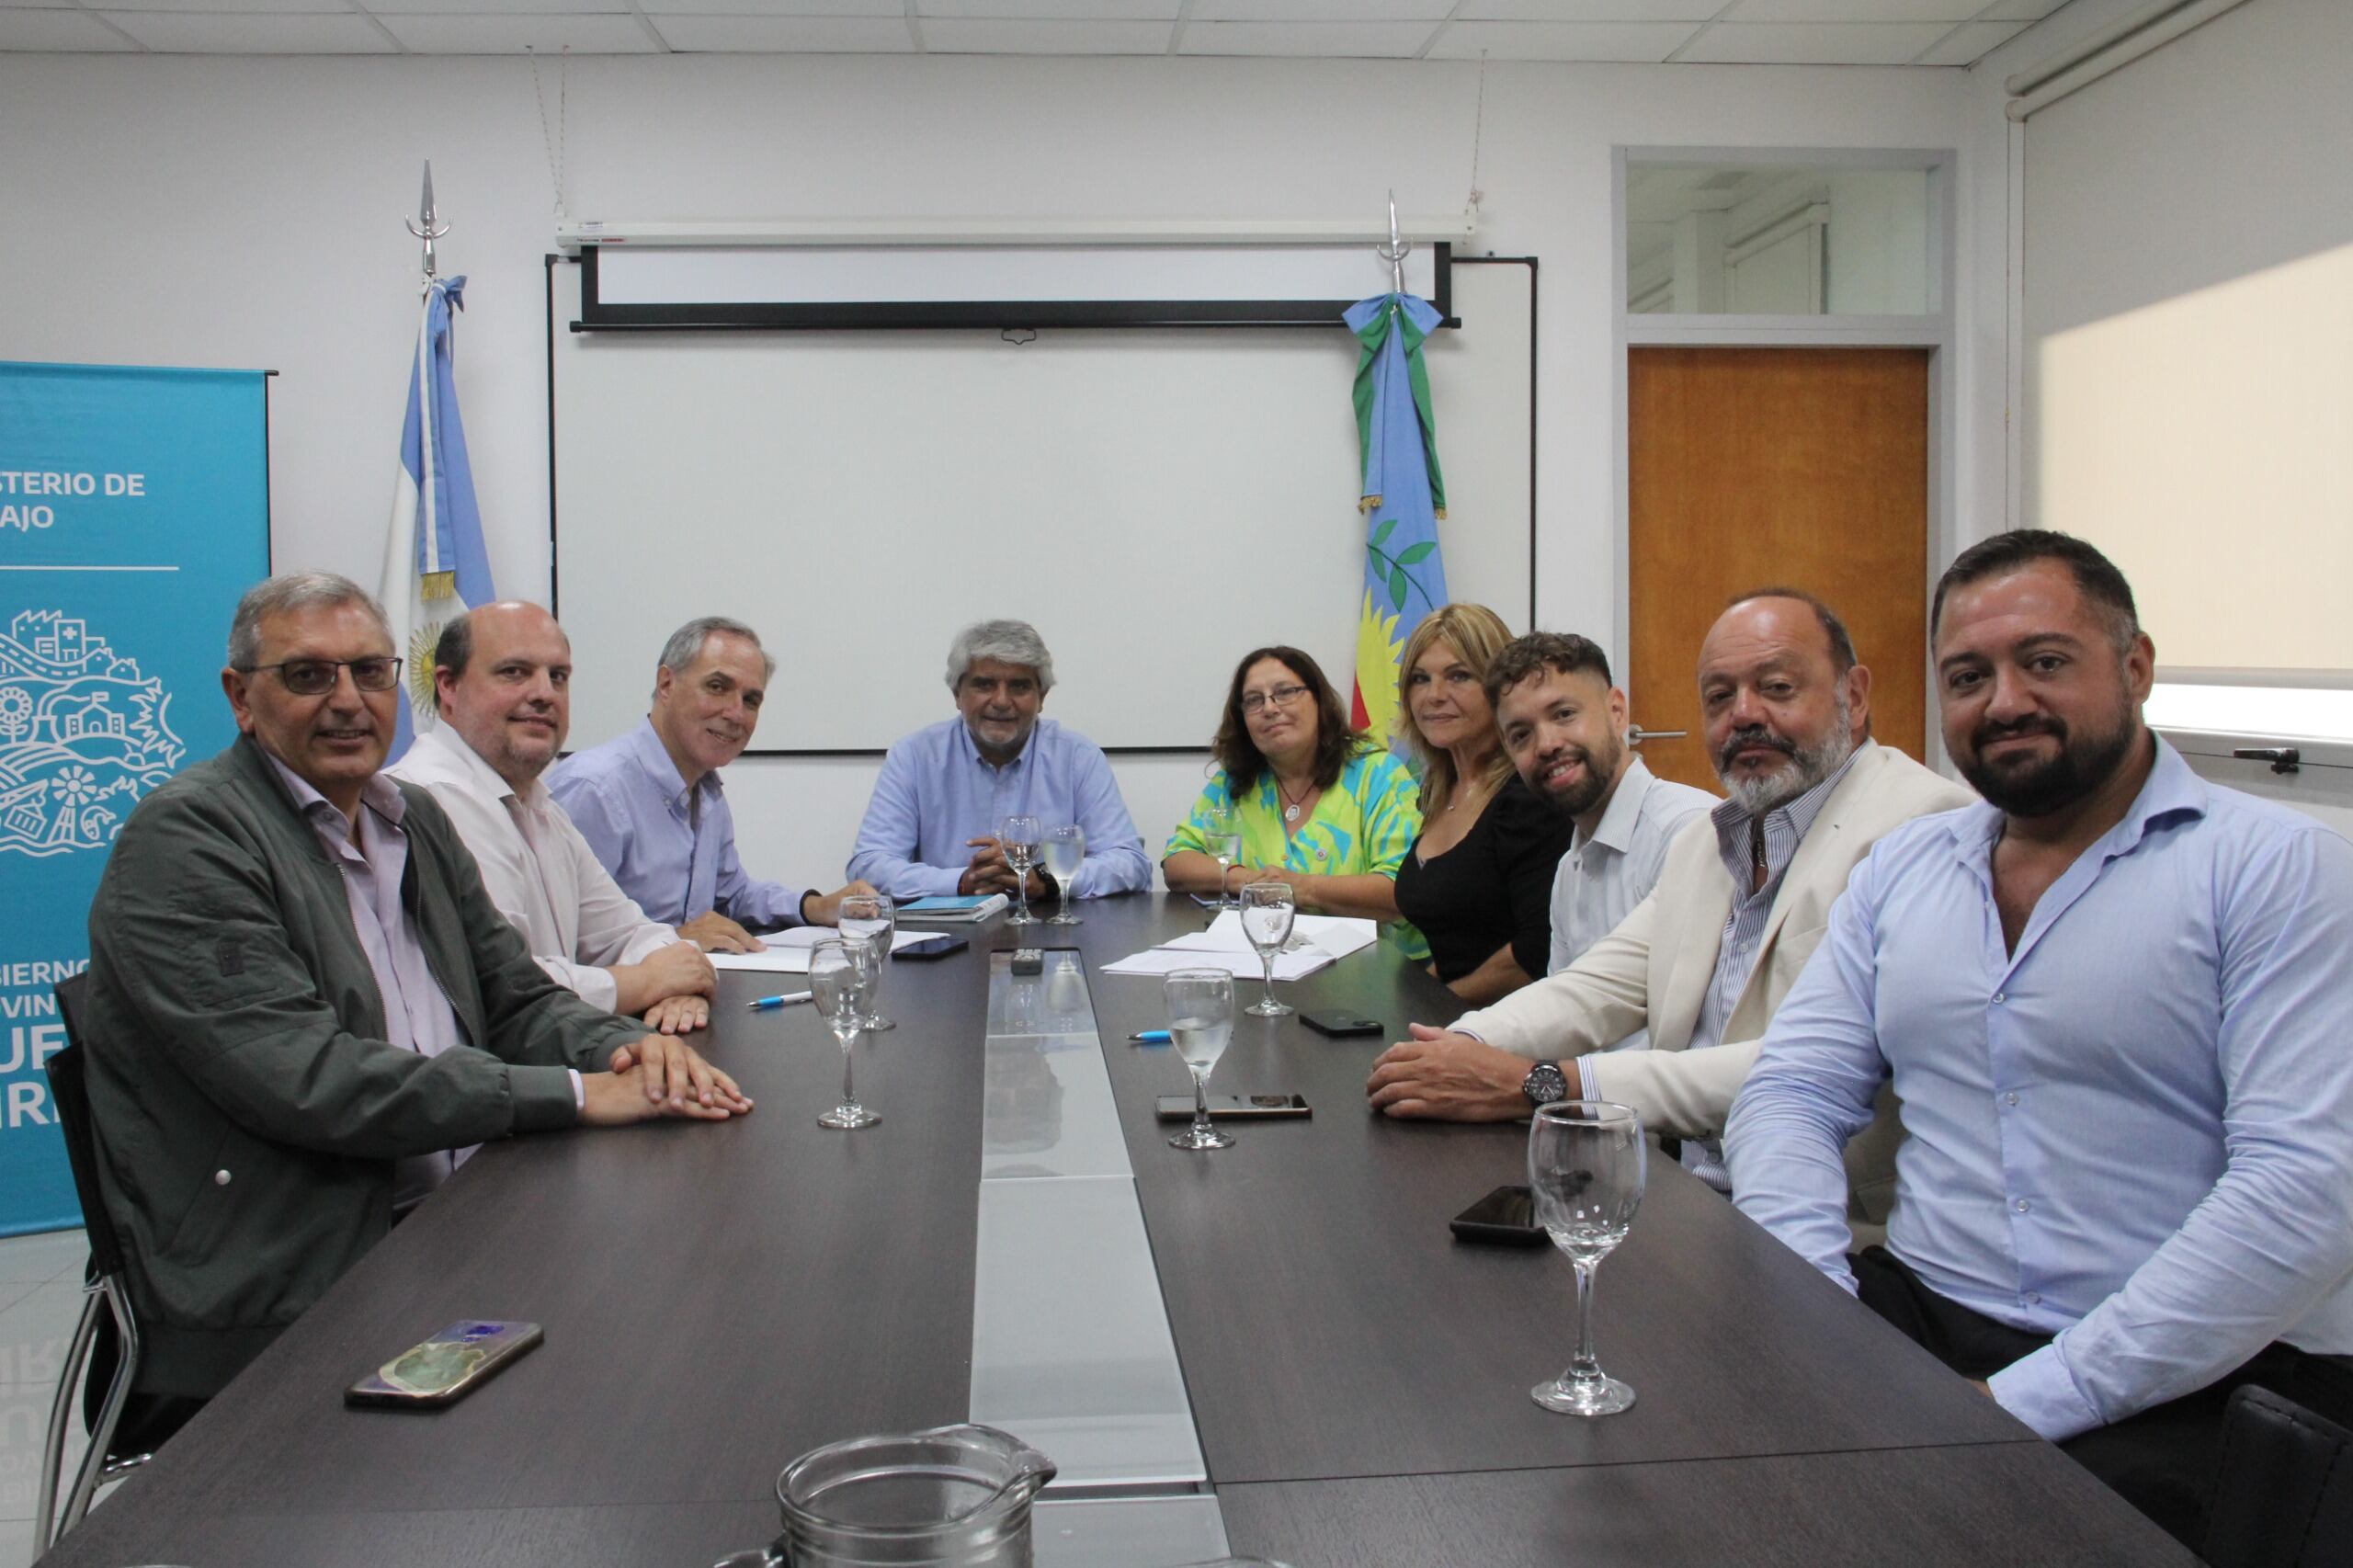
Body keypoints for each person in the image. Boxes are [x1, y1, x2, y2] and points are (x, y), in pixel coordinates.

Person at [1724, 531, 2353, 1548]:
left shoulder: (2278, 870)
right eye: (1967, 675)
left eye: (2045, 661)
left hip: (2197, 1375)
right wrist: (1822, 1320)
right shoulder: (1901, 871)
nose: (2003, 699)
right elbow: (1791, 1089)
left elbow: (2300, 1194)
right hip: (1919, 1318)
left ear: (2136, 664)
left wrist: (2015, 1407)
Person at [78, 573, 749, 1406]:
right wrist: (578, 1091)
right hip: (302, 1273)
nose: (349, 701)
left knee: (708, 1313)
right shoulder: (189, 840)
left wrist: (627, 1048)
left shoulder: (412, 819)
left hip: (460, 1209)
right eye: (309, 675)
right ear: (240, 697)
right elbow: (312, 1080)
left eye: (369, 671)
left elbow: (515, 997)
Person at [1364, 588, 1971, 1223]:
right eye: (1718, 697)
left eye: (1778, 687)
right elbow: (1592, 988)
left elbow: (1804, 1064)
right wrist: (1444, 1052)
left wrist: (1538, 1083)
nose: (1744, 714)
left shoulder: (1921, 825)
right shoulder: (1715, 839)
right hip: (1688, 1201)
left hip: (1833, 1229)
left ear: (1854, 696)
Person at [389, 601, 716, 1034]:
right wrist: (649, 981)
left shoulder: (539, 805)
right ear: (448, 686)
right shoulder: (434, 796)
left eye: (557, 677)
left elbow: (631, 932)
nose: (544, 693)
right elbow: (507, 987)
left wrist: (677, 981)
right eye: (514, 672)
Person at [549, 616, 871, 952]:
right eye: (717, 687)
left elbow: (732, 895)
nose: (735, 714)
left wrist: (814, 907)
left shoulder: (706, 791)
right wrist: (673, 943)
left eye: (751, 701)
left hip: (682, 993)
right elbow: (555, 948)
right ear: (666, 685)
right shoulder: (594, 790)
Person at [1483, 631, 1715, 1004]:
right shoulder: (1569, 870)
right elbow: (1564, 1012)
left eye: (1564, 714)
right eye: (1521, 735)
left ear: (1617, 712)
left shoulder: (1688, 832)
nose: (1546, 745)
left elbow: (1691, 1029)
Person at [847, 619, 1150, 902]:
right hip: (944, 938)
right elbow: (869, 864)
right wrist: (962, 882)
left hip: (1051, 936)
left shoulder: (1077, 758)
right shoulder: (914, 757)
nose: (1002, 701)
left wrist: (1043, 878)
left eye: (1019, 686)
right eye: (984, 684)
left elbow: (1130, 862)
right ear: (957, 694)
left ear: (1041, 697)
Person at [1162, 645, 1424, 942]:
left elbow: (1402, 889)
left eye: (1285, 692)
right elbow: (1177, 862)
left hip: (1370, 967)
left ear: (1319, 701)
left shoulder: (1376, 774)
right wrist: (1249, 881)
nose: (1270, 709)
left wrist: (1299, 887)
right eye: (1253, 701)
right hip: (1261, 960)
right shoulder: (1236, 780)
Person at [1389, 606, 1575, 1004]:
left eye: (1458, 676)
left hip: (1511, 1031)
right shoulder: (1438, 790)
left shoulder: (1528, 798)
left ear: (1499, 688)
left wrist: (1435, 1012)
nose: (1434, 696)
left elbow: (1534, 952)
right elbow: (1459, 941)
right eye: (1420, 679)